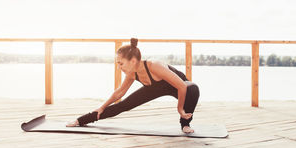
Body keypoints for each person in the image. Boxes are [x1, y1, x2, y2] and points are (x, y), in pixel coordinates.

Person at [66, 38, 200, 133]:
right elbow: (119, 92)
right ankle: (80, 120)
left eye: (121, 63)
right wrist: (101, 107)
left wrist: (180, 109)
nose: (119, 67)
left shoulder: (154, 66)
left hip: (179, 87)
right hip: (153, 88)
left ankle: (185, 124)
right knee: (122, 106)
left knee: (193, 89)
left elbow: (182, 86)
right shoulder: (131, 73)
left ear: (133, 60)